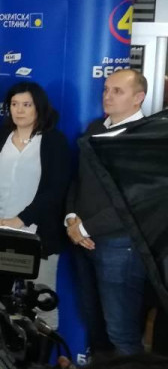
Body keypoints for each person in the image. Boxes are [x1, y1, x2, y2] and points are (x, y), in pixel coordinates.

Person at [66, 69, 149, 356]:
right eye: (106, 89)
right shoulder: (95, 129)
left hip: (120, 246)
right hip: (83, 242)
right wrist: (71, 218)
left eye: (117, 91)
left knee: (121, 331)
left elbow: (135, 200)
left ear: (138, 98)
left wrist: (84, 228)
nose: (107, 96)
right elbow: (78, 179)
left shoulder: (146, 138)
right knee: (95, 324)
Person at [0, 81, 69, 328]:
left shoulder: (54, 141)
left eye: (26, 105)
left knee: (42, 302)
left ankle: (40, 352)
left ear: (39, 107)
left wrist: (22, 219)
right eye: (14, 104)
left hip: (36, 233)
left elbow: (56, 189)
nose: (19, 110)